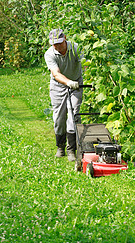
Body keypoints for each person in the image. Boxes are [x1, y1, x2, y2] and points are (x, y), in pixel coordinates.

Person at [44, 28, 83, 162]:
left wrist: (87, 79)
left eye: (60, 43)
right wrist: (68, 82)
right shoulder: (50, 54)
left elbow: (86, 64)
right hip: (58, 85)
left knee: (73, 114)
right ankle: (60, 147)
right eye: (54, 44)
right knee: (59, 117)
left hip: (77, 84)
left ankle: (71, 149)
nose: (57, 46)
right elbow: (56, 73)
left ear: (65, 38)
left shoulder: (76, 48)